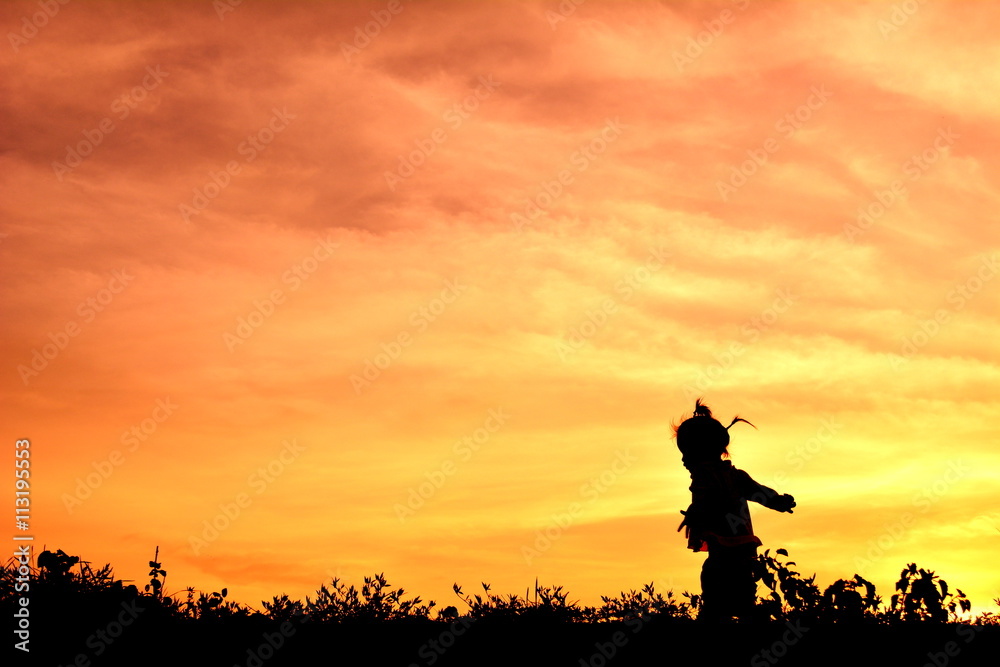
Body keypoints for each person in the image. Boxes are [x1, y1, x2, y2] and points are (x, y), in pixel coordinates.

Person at [675, 399, 795, 622]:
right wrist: (778, 501)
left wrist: (694, 515)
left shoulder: (703, 476)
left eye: (687, 454)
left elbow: (703, 501)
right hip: (741, 538)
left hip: (721, 538)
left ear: (701, 452)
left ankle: (716, 613)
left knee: (714, 575)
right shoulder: (736, 476)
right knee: (741, 577)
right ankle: (744, 611)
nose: (684, 460)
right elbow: (758, 491)